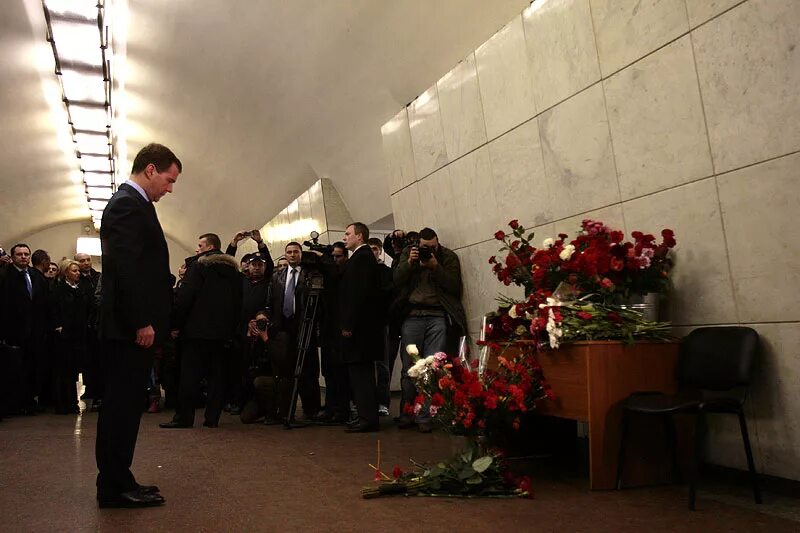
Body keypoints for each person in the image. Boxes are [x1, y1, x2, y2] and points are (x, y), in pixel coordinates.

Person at [95, 142, 181, 509]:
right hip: (130, 329)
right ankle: (113, 487)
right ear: (150, 169)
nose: (170, 188)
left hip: (133, 327)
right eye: (169, 179)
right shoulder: (127, 205)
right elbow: (126, 269)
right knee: (120, 407)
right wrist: (142, 321)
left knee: (129, 406)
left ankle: (120, 478)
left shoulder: (135, 205)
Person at [160, 233, 242, 429]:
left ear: (209, 247)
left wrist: (175, 325)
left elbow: (185, 298)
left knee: (189, 376)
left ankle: (184, 418)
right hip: (223, 334)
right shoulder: (235, 273)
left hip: (195, 331)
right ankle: (212, 418)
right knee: (217, 376)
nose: (197, 249)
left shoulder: (198, 267)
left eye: (200, 245)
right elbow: (238, 303)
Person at [392, 227, 467, 432]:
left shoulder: (447, 257)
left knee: (431, 367)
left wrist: (436, 267)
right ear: (418, 245)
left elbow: (454, 287)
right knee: (410, 368)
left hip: (437, 315)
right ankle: (407, 413)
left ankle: (424, 417)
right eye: (424, 248)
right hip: (413, 315)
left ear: (437, 243)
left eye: (432, 247)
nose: (428, 251)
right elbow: (396, 280)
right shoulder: (409, 254)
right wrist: (409, 264)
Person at [265, 242, 321, 421]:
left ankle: (311, 409)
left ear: (301, 254)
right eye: (289, 252)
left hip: (304, 325)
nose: (292, 255)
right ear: (285, 255)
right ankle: (286, 410)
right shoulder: (278, 277)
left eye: (296, 252)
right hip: (283, 328)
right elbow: (271, 302)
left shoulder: (310, 275)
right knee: (286, 369)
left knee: (308, 368)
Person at [339, 223, 383, 433]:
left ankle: (368, 417)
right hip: (363, 327)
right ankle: (366, 415)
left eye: (348, 234)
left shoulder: (362, 257)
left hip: (361, 329)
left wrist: (348, 324)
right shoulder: (360, 257)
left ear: (360, 236)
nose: (345, 237)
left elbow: (357, 294)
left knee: (361, 373)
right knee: (359, 372)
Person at [0, 244, 50, 415]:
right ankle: (15, 403)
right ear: (13, 256)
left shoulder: (36, 276)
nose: (23, 257)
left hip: (35, 331)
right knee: (15, 369)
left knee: (32, 367)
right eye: (19, 254)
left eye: (26, 254)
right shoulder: (5, 276)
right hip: (14, 331)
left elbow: (43, 304)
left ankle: (30, 401)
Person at [50, 259, 89, 414]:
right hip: (65, 334)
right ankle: (62, 403)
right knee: (63, 370)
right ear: (66, 272)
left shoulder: (80, 289)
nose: (78, 273)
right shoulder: (59, 289)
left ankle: (72, 402)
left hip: (78, 333)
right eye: (74, 271)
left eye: (78, 271)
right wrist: (59, 326)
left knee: (73, 370)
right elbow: (54, 309)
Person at [75, 253, 103, 411]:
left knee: (97, 358)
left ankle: (98, 389)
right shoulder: (78, 279)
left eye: (87, 260)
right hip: (84, 324)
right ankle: (89, 387)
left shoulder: (98, 277)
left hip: (96, 324)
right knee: (87, 359)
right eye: (82, 261)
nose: (86, 263)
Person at [369, 238, 394, 417]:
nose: (372, 252)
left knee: (382, 365)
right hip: (365, 323)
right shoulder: (358, 270)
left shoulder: (386, 272)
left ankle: (383, 402)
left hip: (382, 322)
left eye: (375, 249)